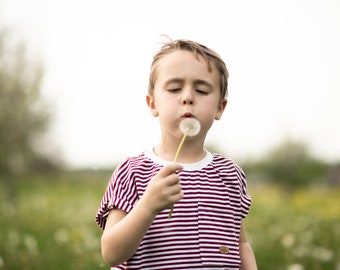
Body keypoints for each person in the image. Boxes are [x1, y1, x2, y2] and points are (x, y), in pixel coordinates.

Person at [96, 38, 258, 270]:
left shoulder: (229, 173)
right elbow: (111, 253)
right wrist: (147, 206)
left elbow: (240, 244)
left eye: (202, 90)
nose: (188, 97)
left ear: (219, 108)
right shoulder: (132, 172)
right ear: (152, 104)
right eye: (174, 89)